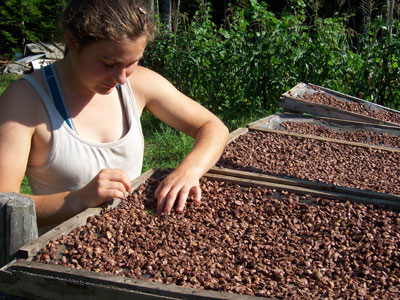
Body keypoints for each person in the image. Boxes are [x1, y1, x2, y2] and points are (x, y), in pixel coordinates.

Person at [0, 0, 229, 230]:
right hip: (56, 257)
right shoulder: (25, 99)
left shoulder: (138, 83)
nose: (121, 78)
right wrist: (77, 199)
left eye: (133, 62)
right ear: (73, 40)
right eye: (109, 63)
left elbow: (213, 127)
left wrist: (189, 171)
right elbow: (3, 204)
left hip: (130, 246)